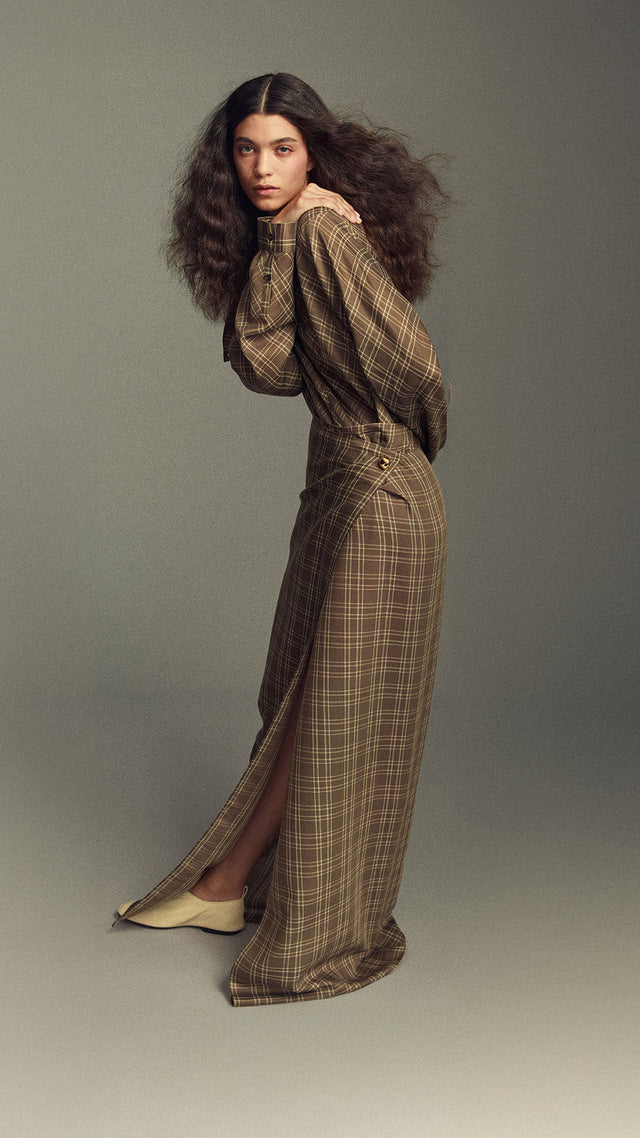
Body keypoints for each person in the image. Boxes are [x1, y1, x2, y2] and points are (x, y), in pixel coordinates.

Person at [115, 73, 448, 1007]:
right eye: (246, 149)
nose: (263, 168)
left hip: (378, 490)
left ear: (315, 153)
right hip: (340, 482)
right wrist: (278, 236)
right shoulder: (294, 232)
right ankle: (229, 885)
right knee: (304, 697)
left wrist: (399, 452)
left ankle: (243, 893)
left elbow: (417, 368)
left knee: (330, 708)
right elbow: (265, 365)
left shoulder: (327, 235)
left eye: (284, 149)